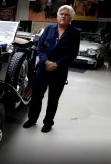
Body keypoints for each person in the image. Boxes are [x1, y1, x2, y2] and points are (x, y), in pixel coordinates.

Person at [23, 5, 80, 133]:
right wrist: (46, 61)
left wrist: (56, 64)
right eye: (61, 14)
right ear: (57, 16)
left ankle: (48, 123)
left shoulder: (75, 32)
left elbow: (73, 53)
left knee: (53, 99)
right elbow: (40, 47)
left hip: (59, 71)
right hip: (43, 69)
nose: (63, 16)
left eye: (66, 14)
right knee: (36, 96)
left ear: (70, 18)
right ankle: (32, 119)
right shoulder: (48, 29)